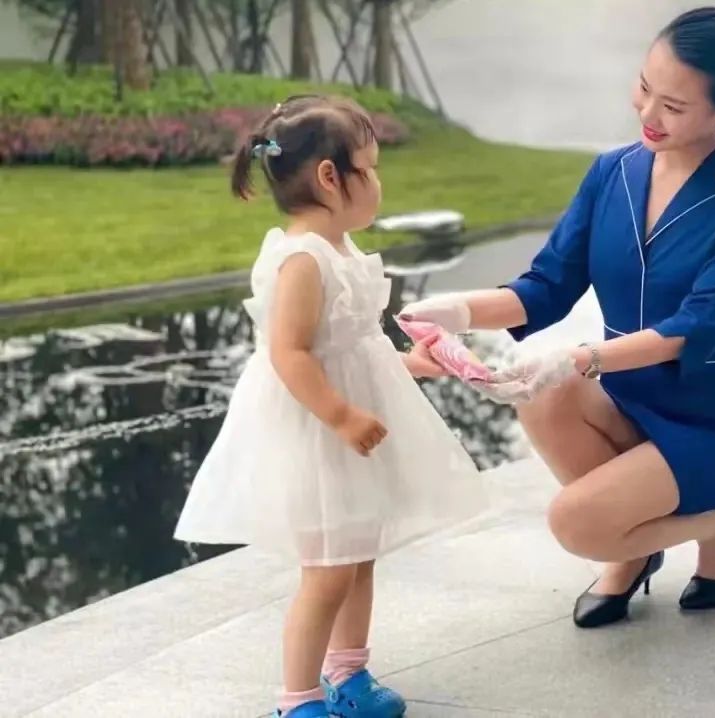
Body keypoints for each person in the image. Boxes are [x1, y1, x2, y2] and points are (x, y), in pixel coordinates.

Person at [401, 7, 715, 629]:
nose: (648, 114)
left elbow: (698, 324)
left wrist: (584, 358)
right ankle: (634, 553)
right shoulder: (613, 171)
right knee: (543, 394)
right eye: (644, 87)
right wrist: (456, 310)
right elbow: (546, 286)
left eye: (673, 106)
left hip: (714, 420)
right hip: (628, 403)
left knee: (574, 523)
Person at [174, 95, 488, 718]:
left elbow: (355, 346)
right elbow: (290, 353)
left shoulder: (340, 250)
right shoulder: (302, 260)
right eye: (369, 169)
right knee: (326, 571)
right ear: (328, 177)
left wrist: (409, 365)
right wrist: (341, 415)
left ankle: (349, 672)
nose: (377, 183)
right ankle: (297, 700)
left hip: (348, 430)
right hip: (318, 432)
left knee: (357, 557)